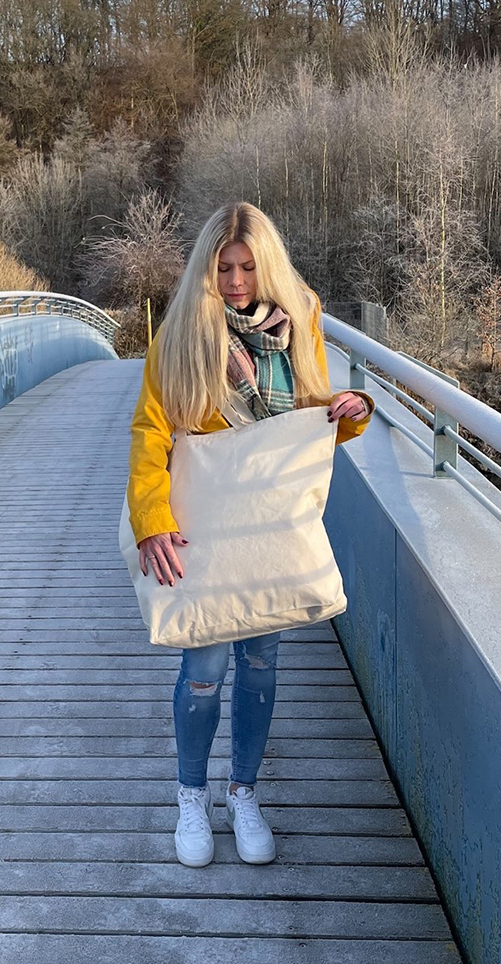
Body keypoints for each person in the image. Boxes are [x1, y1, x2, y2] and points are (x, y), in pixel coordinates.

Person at [126, 201, 373, 868]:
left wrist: (349, 411)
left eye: (246, 266)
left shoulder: (301, 321)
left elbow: (314, 406)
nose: (235, 280)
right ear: (207, 266)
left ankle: (243, 792)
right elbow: (151, 431)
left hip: (267, 522)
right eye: (223, 266)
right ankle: (190, 796)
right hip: (201, 522)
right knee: (203, 666)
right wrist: (152, 520)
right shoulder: (180, 331)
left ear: (266, 265)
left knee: (261, 660)